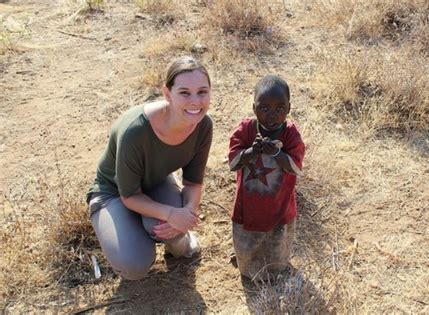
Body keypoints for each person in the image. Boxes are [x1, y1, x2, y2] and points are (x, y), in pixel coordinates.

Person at [86, 56, 213, 280]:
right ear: (167, 93)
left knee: (173, 234)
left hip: (154, 182)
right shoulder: (135, 130)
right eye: (184, 92)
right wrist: (171, 213)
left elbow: (193, 182)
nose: (195, 101)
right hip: (114, 193)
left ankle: (175, 239)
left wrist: (187, 213)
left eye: (202, 92)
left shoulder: (203, 125)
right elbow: (129, 196)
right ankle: (126, 231)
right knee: (134, 266)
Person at [228, 75, 305, 280]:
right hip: (248, 205)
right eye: (264, 108)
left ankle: (273, 274)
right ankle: (246, 268)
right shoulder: (246, 130)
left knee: (276, 248)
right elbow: (233, 162)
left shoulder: (290, 135)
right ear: (254, 108)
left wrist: (276, 154)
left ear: (289, 109)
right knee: (246, 244)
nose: (272, 115)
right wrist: (251, 152)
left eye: (280, 108)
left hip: (279, 206)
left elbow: (296, 168)